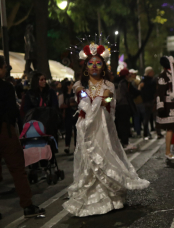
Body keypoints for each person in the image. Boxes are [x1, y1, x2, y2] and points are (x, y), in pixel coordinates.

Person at [63, 44, 149, 217]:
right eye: (90, 63)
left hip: (104, 128)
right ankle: (91, 199)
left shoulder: (109, 84)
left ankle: (111, 197)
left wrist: (101, 99)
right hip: (87, 128)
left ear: (103, 66)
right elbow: (82, 97)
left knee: (106, 157)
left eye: (98, 63)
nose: (94, 66)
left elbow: (109, 98)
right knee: (89, 159)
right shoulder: (80, 85)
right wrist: (91, 98)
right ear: (85, 66)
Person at [0, 56, 46, 220]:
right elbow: (13, 111)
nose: (5, 70)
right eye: (4, 67)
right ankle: (27, 205)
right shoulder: (6, 87)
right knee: (17, 169)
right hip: (4, 131)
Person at [23, 72, 60, 143]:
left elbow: (55, 106)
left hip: (49, 121)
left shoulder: (50, 92)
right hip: (35, 122)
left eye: (44, 79)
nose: (44, 81)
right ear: (36, 81)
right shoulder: (30, 93)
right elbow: (27, 108)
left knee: (50, 143)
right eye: (41, 79)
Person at [115, 69, 139, 150]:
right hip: (124, 105)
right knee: (125, 124)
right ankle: (125, 142)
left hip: (117, 105)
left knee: (120, 124)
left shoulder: (115, 82)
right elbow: (133, 92)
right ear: (126, 75)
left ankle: (121, 142)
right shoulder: (125, 83)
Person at [59, 80, 78, 154]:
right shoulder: (63, 95)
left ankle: (76, 146)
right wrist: (70, 105)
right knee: (68, 131)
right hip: (68, 115)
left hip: (75, 114)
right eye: (71, 84)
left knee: (76, 131)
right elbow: (60, 105)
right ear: (68, 86)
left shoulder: (75, 94)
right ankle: (67, 146)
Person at [140, 67, 158, 139]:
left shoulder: (143, 80)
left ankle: (146, 132)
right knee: (152, 116)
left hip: (146, 101)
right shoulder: (150, 81)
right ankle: (153, 132)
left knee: (147, 117)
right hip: (149, 100)